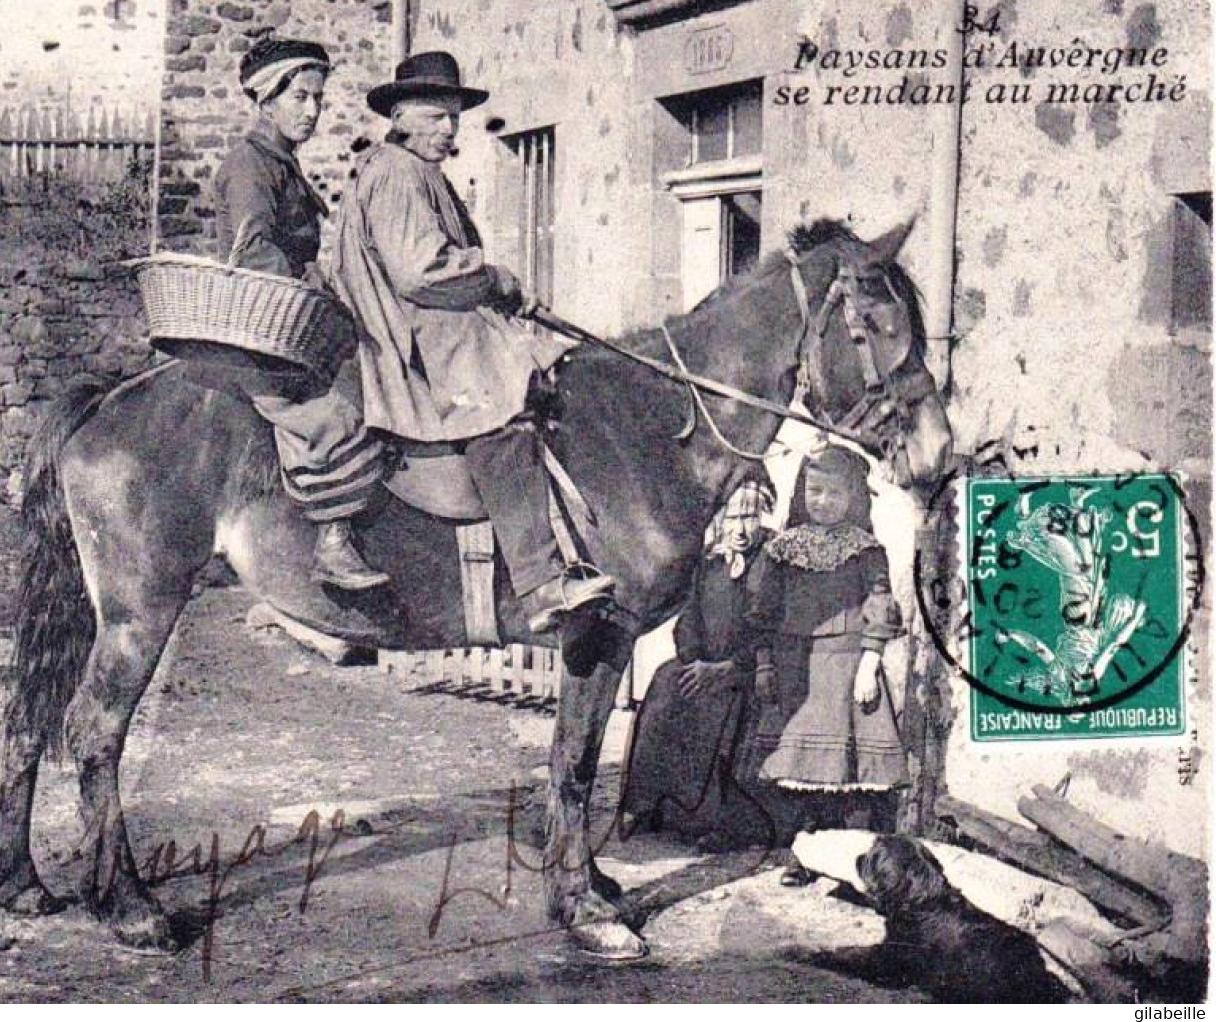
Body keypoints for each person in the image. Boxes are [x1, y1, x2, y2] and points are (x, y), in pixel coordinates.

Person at [330, 51, 614, 633]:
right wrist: (496, 277)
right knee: (502, 408)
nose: (448, 129)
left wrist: (503, 293)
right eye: (436, 116)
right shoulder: (395, 171)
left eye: (454, 117)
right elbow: (419, 271)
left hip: (441, 320)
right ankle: (539, 583)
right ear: (402, 115)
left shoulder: (415, 172)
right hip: (418, 334)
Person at [213, 36, 390, 592]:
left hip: (292, 314)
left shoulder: (281, 164)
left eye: (318, 99)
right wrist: (310, 286)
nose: (312, 111)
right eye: (301, 98)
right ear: (268, 100)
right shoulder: (249, 165)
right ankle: (332, 537)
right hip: (267, 322)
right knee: (345, 402)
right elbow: (252, 250)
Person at [745, 445, 908, 884]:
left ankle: (859, 864)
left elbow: (879, 604)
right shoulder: (781, 550)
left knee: (851, 774)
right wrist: (764, 666)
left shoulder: (867, 550)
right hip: (798, 668)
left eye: (834, 493)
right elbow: (762, 614)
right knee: (803, 771)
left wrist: (870, 662)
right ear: (802, 492)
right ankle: (807, 856)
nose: (823, 502)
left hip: (848, 667)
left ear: (853, 496)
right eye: (814, 491)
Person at [622, 481, 784, 848]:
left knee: (728, 712)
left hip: (750, 669)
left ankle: (719, 822)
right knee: (667, 683)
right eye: (733, 518)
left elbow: (772, 627)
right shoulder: (709, 561)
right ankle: (651, 803)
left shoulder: (773, 562)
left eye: (751, 517)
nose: (741, 529)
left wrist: (730, 668)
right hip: (704, 665)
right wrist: (695, 661)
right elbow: (688, 619)